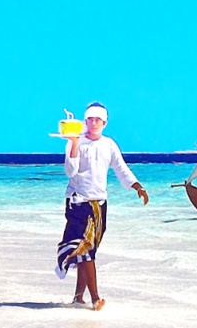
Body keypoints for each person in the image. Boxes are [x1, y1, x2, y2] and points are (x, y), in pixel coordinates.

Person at [56, 101, 147, 309]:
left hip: (99, 205)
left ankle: (79, 297)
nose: (94, 123)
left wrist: (136, 186)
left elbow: (121, 168)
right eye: (90, 119)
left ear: (104, 122)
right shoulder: (74, 141)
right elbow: (70, 171)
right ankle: (96, 298)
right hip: (78, 202)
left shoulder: (109, 144)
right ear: (85, 121)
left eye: (98, 120)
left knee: (87, 251)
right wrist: (75, 145)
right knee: (86, 250)